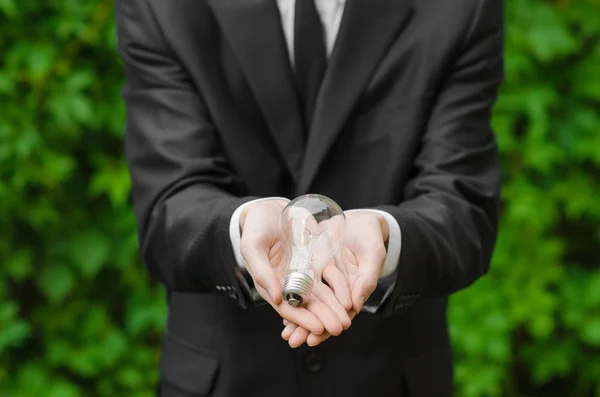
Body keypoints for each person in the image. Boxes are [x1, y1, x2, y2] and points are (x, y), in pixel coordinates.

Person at [116, 0, 503, 395]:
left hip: (389, 380)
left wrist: (386, 236)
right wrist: (241, 226)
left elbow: (462, 207)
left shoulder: (459, 8)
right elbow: (170, 203)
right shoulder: (164, 7)